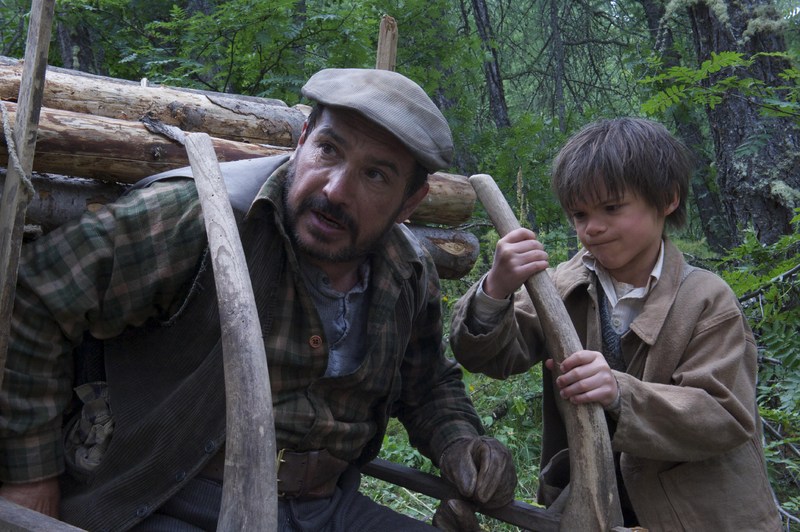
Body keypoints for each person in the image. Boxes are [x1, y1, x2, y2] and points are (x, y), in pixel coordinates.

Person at [0, 68, 517, 531]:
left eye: (375, 175)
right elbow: (38, 296)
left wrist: (458, 442)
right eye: (329, 150)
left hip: (326, 508)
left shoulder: (406, 270)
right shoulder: (196, 219)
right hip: (171, 496)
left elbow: (426, 384)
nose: (336, 189)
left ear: (411, 203)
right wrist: (29, 475)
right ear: (302, 139)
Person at [449, 117, 782, 530]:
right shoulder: (560, 285)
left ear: (667, 199)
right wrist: (495, 287)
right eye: (579, 213)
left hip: (699, 518)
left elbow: (722, 415)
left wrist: (619, 392)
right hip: (594, 509)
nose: (592, 227)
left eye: (611, 208)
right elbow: (491, 356)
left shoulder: (708, 301)